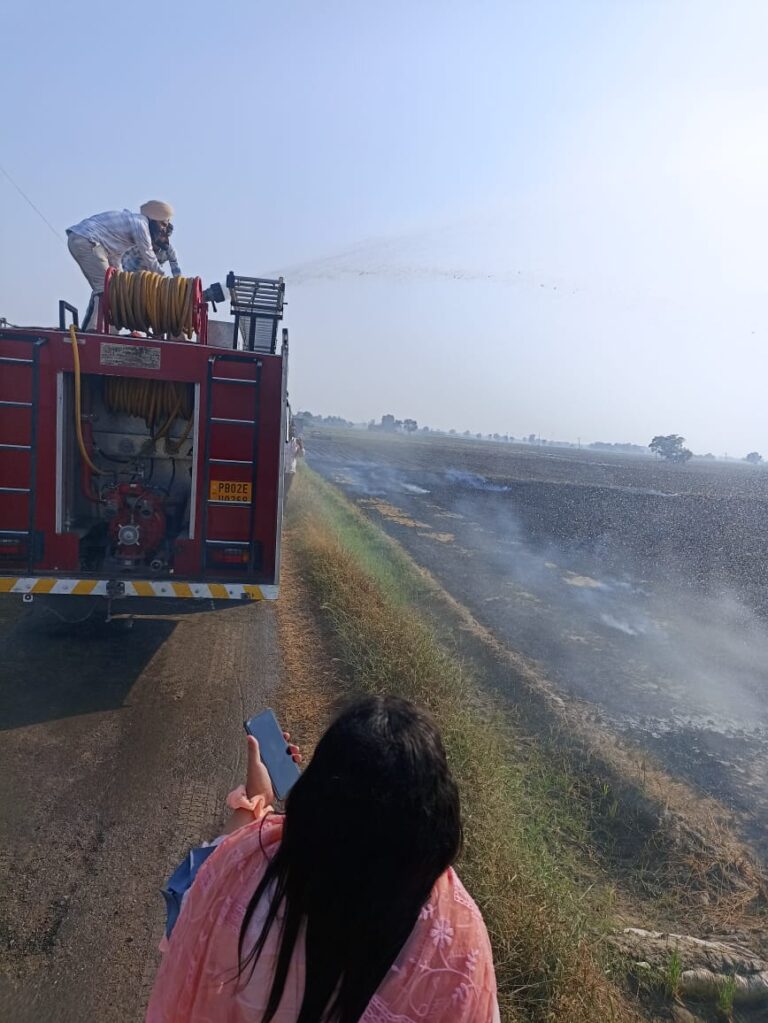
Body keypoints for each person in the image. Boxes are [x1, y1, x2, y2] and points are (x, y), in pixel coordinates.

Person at [146, 696, 499, 1023]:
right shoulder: (458, 946)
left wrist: (255, 799)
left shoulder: (246, 875)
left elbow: (191, 905)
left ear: (316, 795)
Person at [66, 201, 174, 330]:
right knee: (105, 288)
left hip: (88, 241)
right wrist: (167, 283)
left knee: (114, 288)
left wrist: (123, 282)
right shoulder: (141, 224)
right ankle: (93, 329)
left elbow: (115, 257)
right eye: (163, 225)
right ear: (154, 219)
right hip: (86, 240)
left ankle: (106, 330)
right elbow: (148, 255)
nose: (163, 230)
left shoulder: (128, 227)